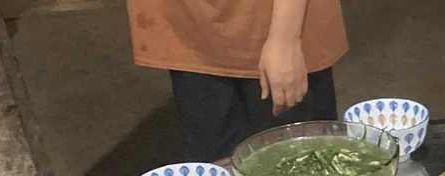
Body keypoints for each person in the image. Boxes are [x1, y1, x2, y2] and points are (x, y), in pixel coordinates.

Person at [126, 0, 348, 162]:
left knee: (302, 168)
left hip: (273, 21)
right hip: (188, 25)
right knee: (215, 173)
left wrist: (284, 40)